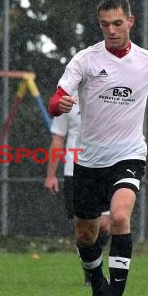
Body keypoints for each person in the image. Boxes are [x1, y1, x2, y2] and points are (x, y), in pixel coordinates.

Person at [48, 0, 148, 296]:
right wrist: (57, 106)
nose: (111, 30)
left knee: (120, 216)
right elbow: (56, 98)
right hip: (88, 160)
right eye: (105, 24)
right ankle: (98, 288)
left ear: (130, 22)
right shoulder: (86, 60)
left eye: (117, 23)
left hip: (128, 155)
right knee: (84, 235)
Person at [44, 99, 110, 286]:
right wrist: (51, 175)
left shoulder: (107, 94)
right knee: (84, 231)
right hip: (75, 171)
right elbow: (58, 139)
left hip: (104, 168)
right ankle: (92, 274)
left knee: (105, 226)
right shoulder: (67, 101)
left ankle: (91, 262)